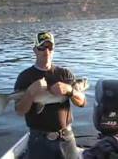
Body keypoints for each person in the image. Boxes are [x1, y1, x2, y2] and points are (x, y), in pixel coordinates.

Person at [14, 31, 87, 159]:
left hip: (66, 138)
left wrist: (70, 90)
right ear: (35, 50)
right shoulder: (25, 77)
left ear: (53, 49)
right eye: (42, 47)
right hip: (38, 140)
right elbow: (20, 111)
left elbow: (82, 102)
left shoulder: (65, 74)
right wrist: (30, 93)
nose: (46, 51)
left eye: (50, 47)